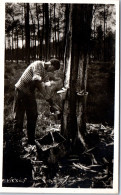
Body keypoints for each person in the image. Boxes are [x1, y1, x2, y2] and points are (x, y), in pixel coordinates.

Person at [13, 59, 60, 147]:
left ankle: (31, 140)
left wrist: (51, 103)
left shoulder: (45, 73)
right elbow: (36, 80)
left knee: (33, 115)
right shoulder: (38, 64)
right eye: (53, 69)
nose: (52, 71)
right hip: (21, 91)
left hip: (29, 93)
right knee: (19, 117)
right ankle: (15, 143)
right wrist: (48, 99)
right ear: (50, 64)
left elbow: (45, 88)